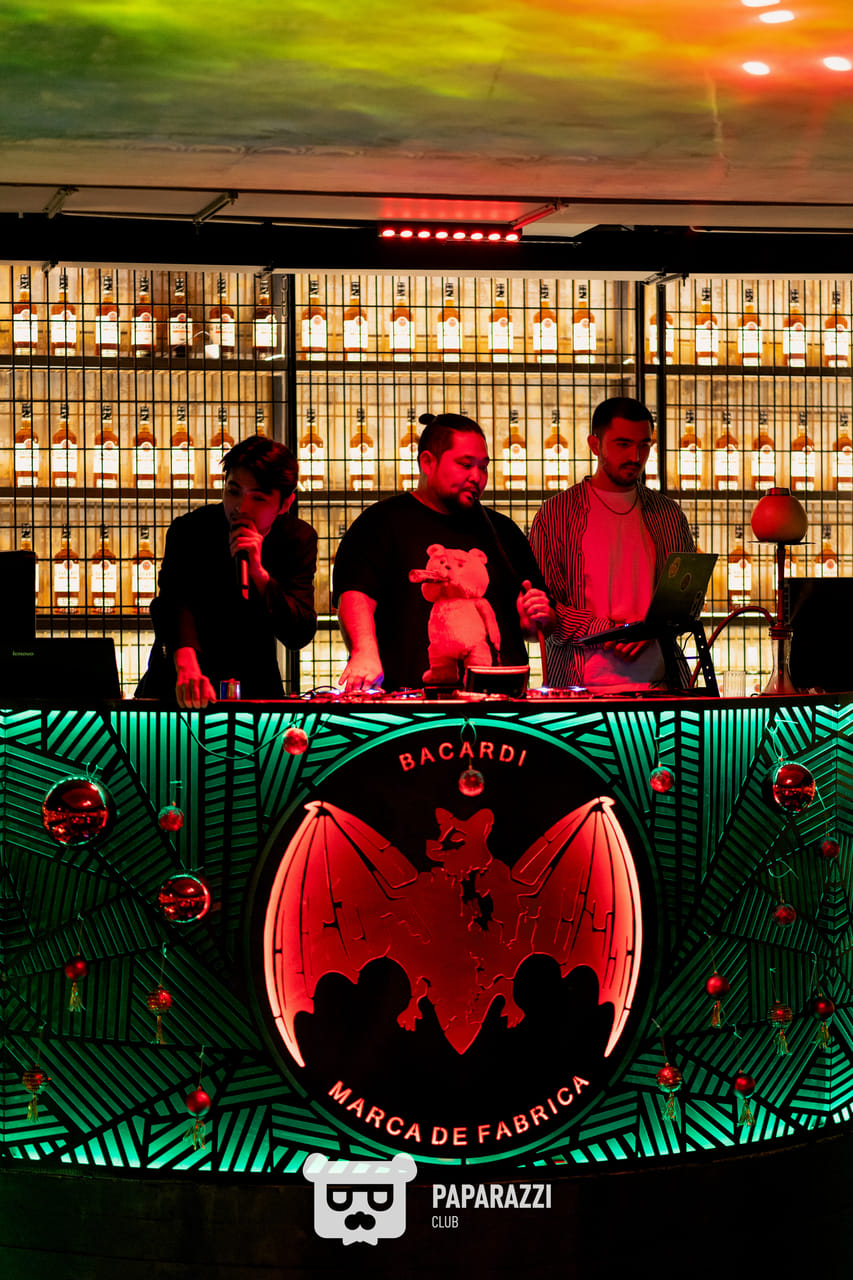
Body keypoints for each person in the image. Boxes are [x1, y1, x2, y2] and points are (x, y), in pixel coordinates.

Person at [333, 412, 553, 693]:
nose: (477, 477)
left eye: (483, 467)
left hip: (501, 701)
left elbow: (541, 625)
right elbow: (355, 594)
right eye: (465, 465)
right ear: (427, 462)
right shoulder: (382, 522)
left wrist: (537, 619)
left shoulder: (503, 530)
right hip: (410, 702)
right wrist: (363, 651)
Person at [137, 435, 317, 707]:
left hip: (255, 685)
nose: (241, 508)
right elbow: (173, 602)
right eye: (233, 492)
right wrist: (186, 664)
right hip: (182, 681)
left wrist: (259, 574)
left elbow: (299, 632)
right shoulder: (190, 530)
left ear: (284, 504)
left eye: (258, 498)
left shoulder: (296, 538)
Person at [529, 396, 694, 691]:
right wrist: (610, 631)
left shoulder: (668, 514)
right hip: (579, 687)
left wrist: (652, 628)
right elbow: (545, 606)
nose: (635, 456)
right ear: (595, 445)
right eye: (623, 444)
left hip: (663, 686)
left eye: (644, 445)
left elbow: (689, 602)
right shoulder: (556, 514)